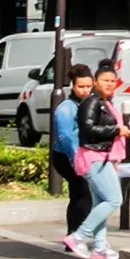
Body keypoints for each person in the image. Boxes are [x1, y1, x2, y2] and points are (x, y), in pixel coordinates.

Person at [65, 65, 130, 259]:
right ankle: (79, 236)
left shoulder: (104, 102)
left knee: (100, 201)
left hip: (103, 157)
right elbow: (88, 128)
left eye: (113, 81)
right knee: (114, 199)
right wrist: (117, 130)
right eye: (105, 80)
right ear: (96, 82)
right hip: (94, 157)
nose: (110, 84)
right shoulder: (91, 102)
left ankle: (100, 247)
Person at [51, 63, 93, 234]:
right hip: (65, 156)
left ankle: (75, 235)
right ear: (72, 86)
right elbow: (65, 137)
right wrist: (75, 160)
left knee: (80, 193)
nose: (85, 90)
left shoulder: (87, 104)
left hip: (80, 155)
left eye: (89, 86)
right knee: (83, 193)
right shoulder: (66, 108)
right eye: (81, 87)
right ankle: (75, 235)